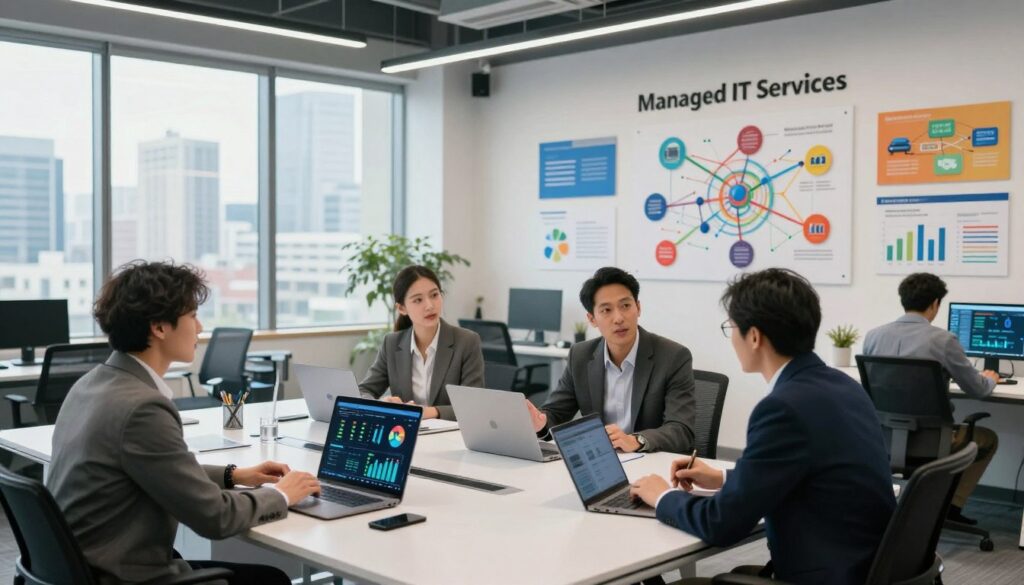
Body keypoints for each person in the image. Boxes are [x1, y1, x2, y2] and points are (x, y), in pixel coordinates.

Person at [47, 261, 321, 585]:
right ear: (159, 327)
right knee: (270, 581)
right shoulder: (141, 408)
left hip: (82, 567)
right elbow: (214, 518)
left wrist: (234, 475)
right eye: (192, 315)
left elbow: (151, 469)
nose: (200, 327)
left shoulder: (93, 383)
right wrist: (282, 494)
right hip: (124, 574)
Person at [630, 269, 895, 585]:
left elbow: (723, 524)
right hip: (864, 566)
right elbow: (809, 471)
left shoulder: (783, 408)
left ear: (754, 337)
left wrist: (662, 497)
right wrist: (723, 478)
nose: (732, 338)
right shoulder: (843, 385)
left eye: (732, 328)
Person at [863, 272, 999, 525]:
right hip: (931, 441)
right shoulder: (944, 340)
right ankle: (951, 508)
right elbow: (978, 389)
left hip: (884, 439)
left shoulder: (873, 336)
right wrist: (991, 378)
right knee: (988, 439)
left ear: (903, 300)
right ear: (935, 304)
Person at [527, 266, 695, 453]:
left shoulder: (673, 357)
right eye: (606, 310)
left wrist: (637, 440)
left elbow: (681, 429)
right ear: (592, 319)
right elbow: (556, 413)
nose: (619, 318)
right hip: (602, 462)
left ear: (638, 308)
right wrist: (539, 423)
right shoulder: (580, 356)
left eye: (626, 306)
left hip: (651, 462)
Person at [359, 265, 485, 421]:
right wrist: (382, 404)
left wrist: (430, 412)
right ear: (402, 308)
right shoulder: (391, 343)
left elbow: (472, 405)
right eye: (418, 300)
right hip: (403, 434)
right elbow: (363, 391)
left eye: (434, 295)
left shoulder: (467, 341)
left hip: (450, 436)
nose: (430, 305)